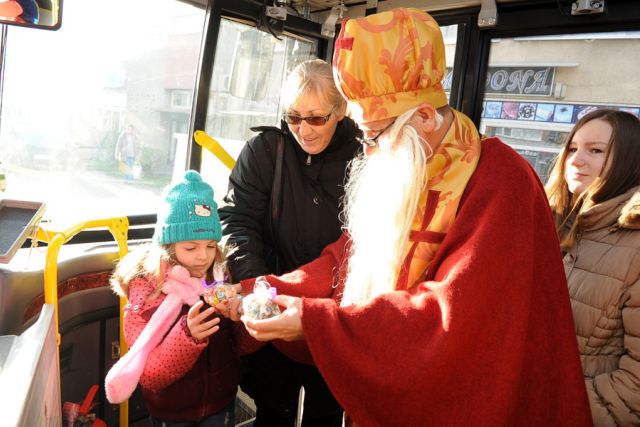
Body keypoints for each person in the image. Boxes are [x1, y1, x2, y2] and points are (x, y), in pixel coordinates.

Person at [230, 8, 593, 426]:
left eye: (374, 136)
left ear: (422, 117)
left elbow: (450, 321)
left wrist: (315, 323)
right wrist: (263, 290)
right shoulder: (414, 163)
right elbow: (348, 261)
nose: (366, 151)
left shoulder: (502, 180)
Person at [218, 59, 361, 426]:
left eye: (316, 118)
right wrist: (258, 289)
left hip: (333, 314)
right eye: (293, 117)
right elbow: (237, 220)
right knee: (272, 409)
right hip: (272, 305)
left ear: (341, 109)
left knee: (327, 413)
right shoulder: (266, 150)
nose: (303, 130)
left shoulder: (365, 157)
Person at [108, 170, 239, 426]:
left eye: (211, 246)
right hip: (171, 411)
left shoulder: (219, 277)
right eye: (190, 247)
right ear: (167, 246)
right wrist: (188, 334)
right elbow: (150, 375)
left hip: (220, 404)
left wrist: (245, 317)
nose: (204, 256)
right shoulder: (147, 292)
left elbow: (237, 347)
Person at [545, 109, 640, 426]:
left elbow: (634, 388)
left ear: (630, 160)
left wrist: (552, 404)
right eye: (572, 148)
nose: (575, 160)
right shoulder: (555, 221)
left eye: (595, 150)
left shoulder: (635, 246)